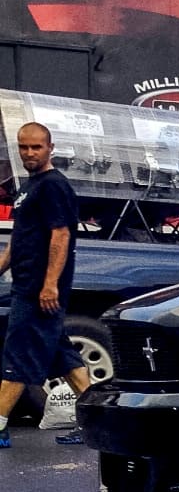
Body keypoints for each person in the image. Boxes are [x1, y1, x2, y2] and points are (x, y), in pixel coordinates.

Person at [0, 121, 91, 447]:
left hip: (39, 291)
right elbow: (19, 239)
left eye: (36, 147)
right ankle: (97, 422)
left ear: (50, 148)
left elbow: (61, 235)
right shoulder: (29, 187)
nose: (29, 153)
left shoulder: (53, 185)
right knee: (63, 358)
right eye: (24, 147)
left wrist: (50, 284)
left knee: (19, 353)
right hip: (27, 284)